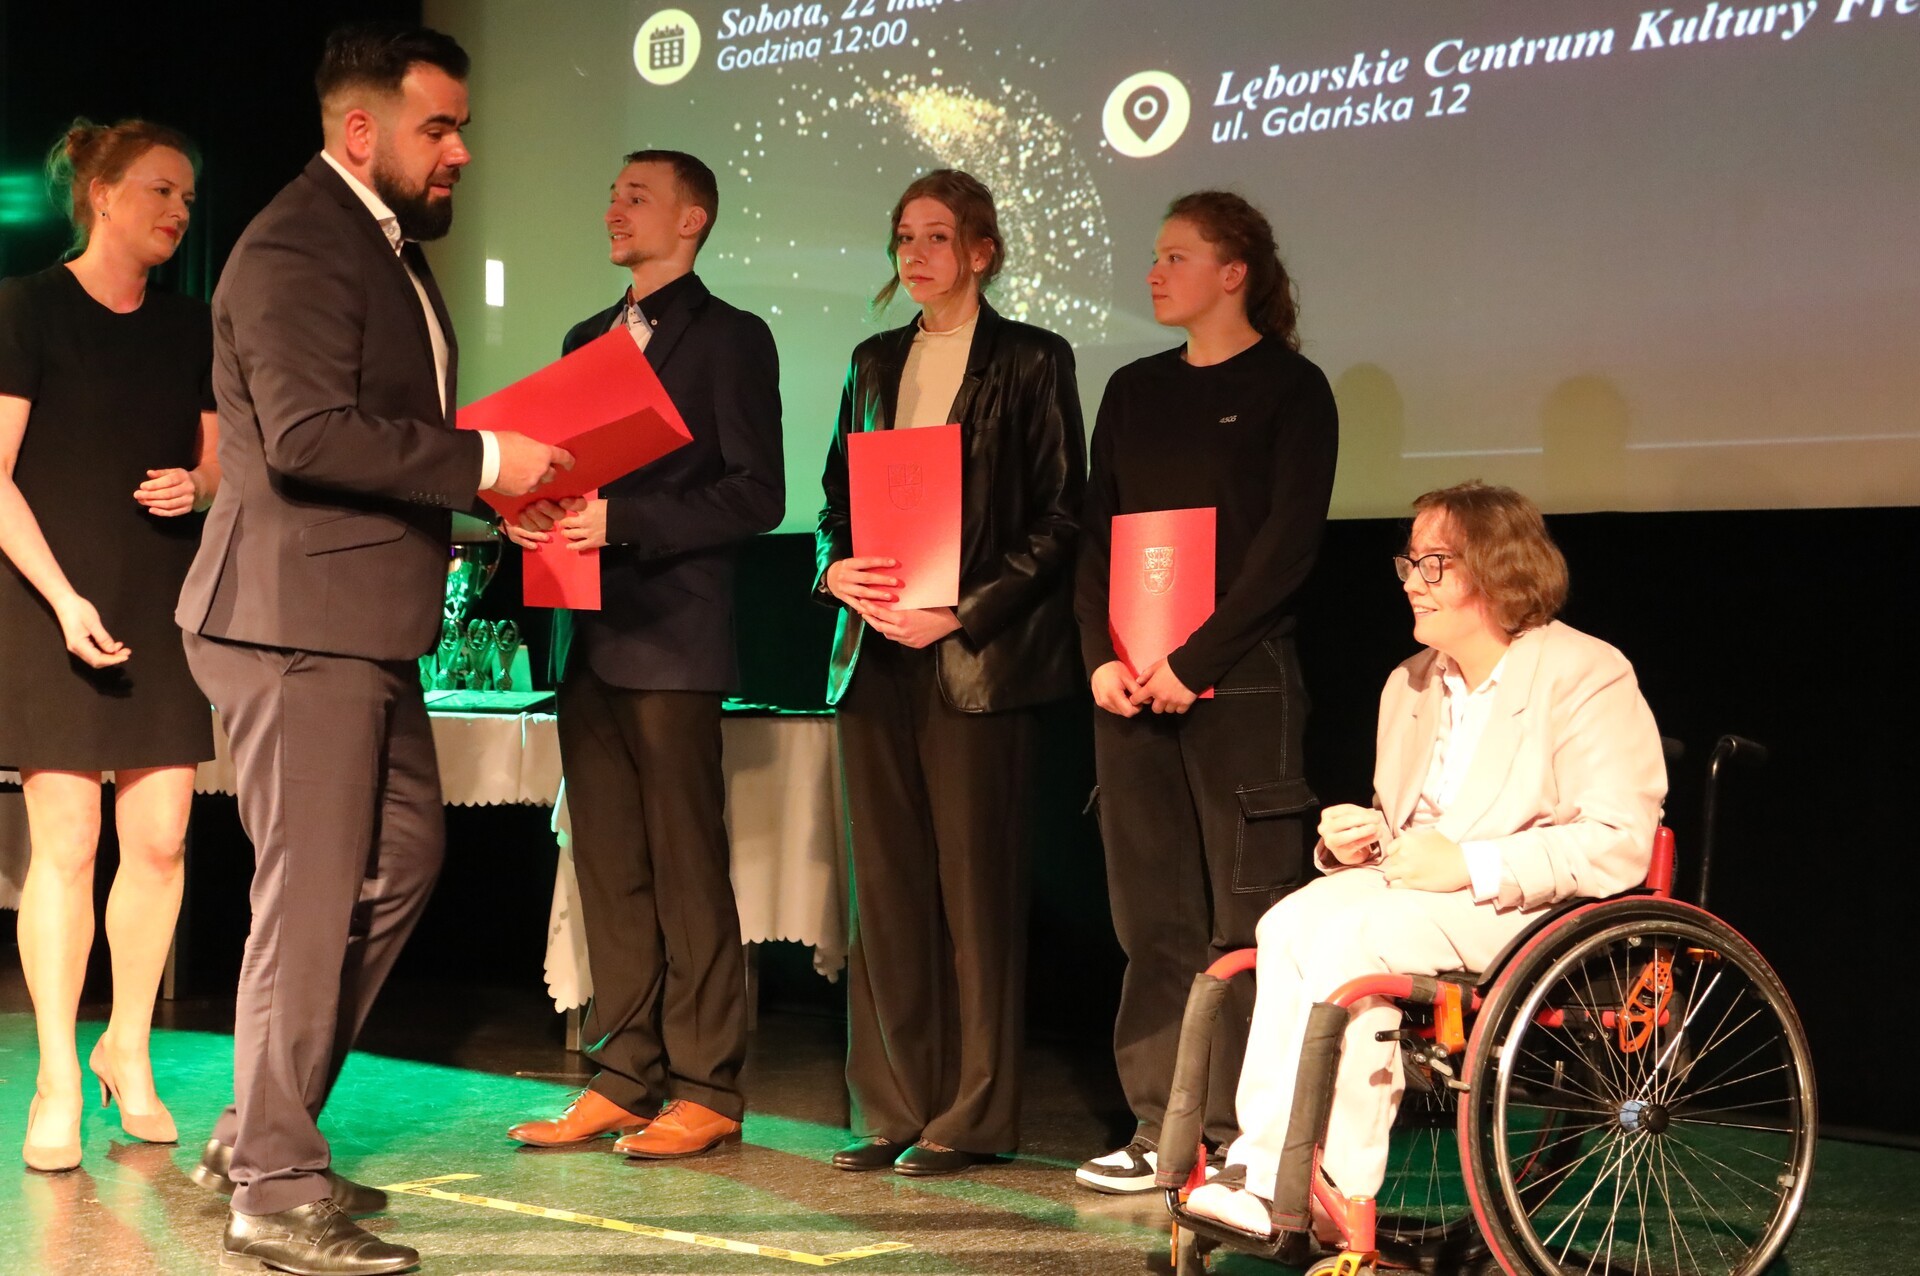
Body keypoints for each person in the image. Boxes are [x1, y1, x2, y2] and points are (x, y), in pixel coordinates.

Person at [174, 24, 567, 1275]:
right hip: (295, 623)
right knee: (311, 895)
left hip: (358, 624)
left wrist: (489, 498)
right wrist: (487, 461)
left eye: (461, 128)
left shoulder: (378, 245)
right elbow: (305, 436)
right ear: (362, 130)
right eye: (438, 127)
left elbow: (372, 437)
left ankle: (256, 1132)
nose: (459, 151)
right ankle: (275, 1187)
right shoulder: (299, 241)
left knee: (398, 859)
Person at [1184, 481, 1668, 1237]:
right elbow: (1406, 823)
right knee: (1284, 924)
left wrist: (1471, 865)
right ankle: (1260, 1165)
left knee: (1354, 940)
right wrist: (1358, 839)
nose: (1412, 581)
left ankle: (1330, 1185)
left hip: (1527, 906)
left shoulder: (1585, 672)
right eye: (1410, 562)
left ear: (1498, 569)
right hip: (1420, 892)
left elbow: (1617, 839)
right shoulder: (1408, 684)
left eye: (1434, 563)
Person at [504, 150, 783, 1160]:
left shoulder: (733, 337)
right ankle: (626, 1073)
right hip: (586, 632)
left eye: (637, 196)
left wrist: (625, 521)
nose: (614, 209)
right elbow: (557, 476)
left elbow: (757, 493)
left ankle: (708, 1085)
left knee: (685, 865)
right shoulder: (586, 338)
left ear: (692, 218)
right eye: (612, 193)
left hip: (674, 636)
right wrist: (527, 514)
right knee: (609, 863)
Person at [816, 169, 1084, 1176]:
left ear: (982, 250)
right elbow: (834, 502)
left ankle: (971, 1115)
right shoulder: (872, 361)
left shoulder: (1032, 358)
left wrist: (960, 611)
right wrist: (833, 570)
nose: (916, 253)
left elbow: (1060, 516)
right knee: (883, 895)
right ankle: (891, 1105)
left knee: (975, 896)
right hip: (873, 653)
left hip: (974, 660)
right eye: (904, 237)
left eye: (937, 236)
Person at [1072, 191, 1337, 1193]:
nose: (1155, 271)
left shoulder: (1291, 389)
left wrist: (1198, 661)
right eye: (1155, 254)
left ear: (1234, 274)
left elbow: (1286, 552)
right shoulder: (1134, 389)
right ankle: (1161, 1127)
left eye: (1176, 255)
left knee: (1245, 921)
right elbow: (1098, 535)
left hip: (1242, 684)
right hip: (1131, 685)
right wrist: (1100, 657)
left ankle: (1242, 1139)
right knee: (1153, 921)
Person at [0, 119, 218, 1173]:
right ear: (101, 192)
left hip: (159, 597)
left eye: (188, 197)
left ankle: (126, 1047)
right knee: (70, 839)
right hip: (49, 597)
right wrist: (62, 598)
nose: (179, 211)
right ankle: (53, 1072)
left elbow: (222, 463)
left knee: (163, 836)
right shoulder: (26, 307)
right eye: (160, 191)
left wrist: (201, 485)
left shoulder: (193, 326)